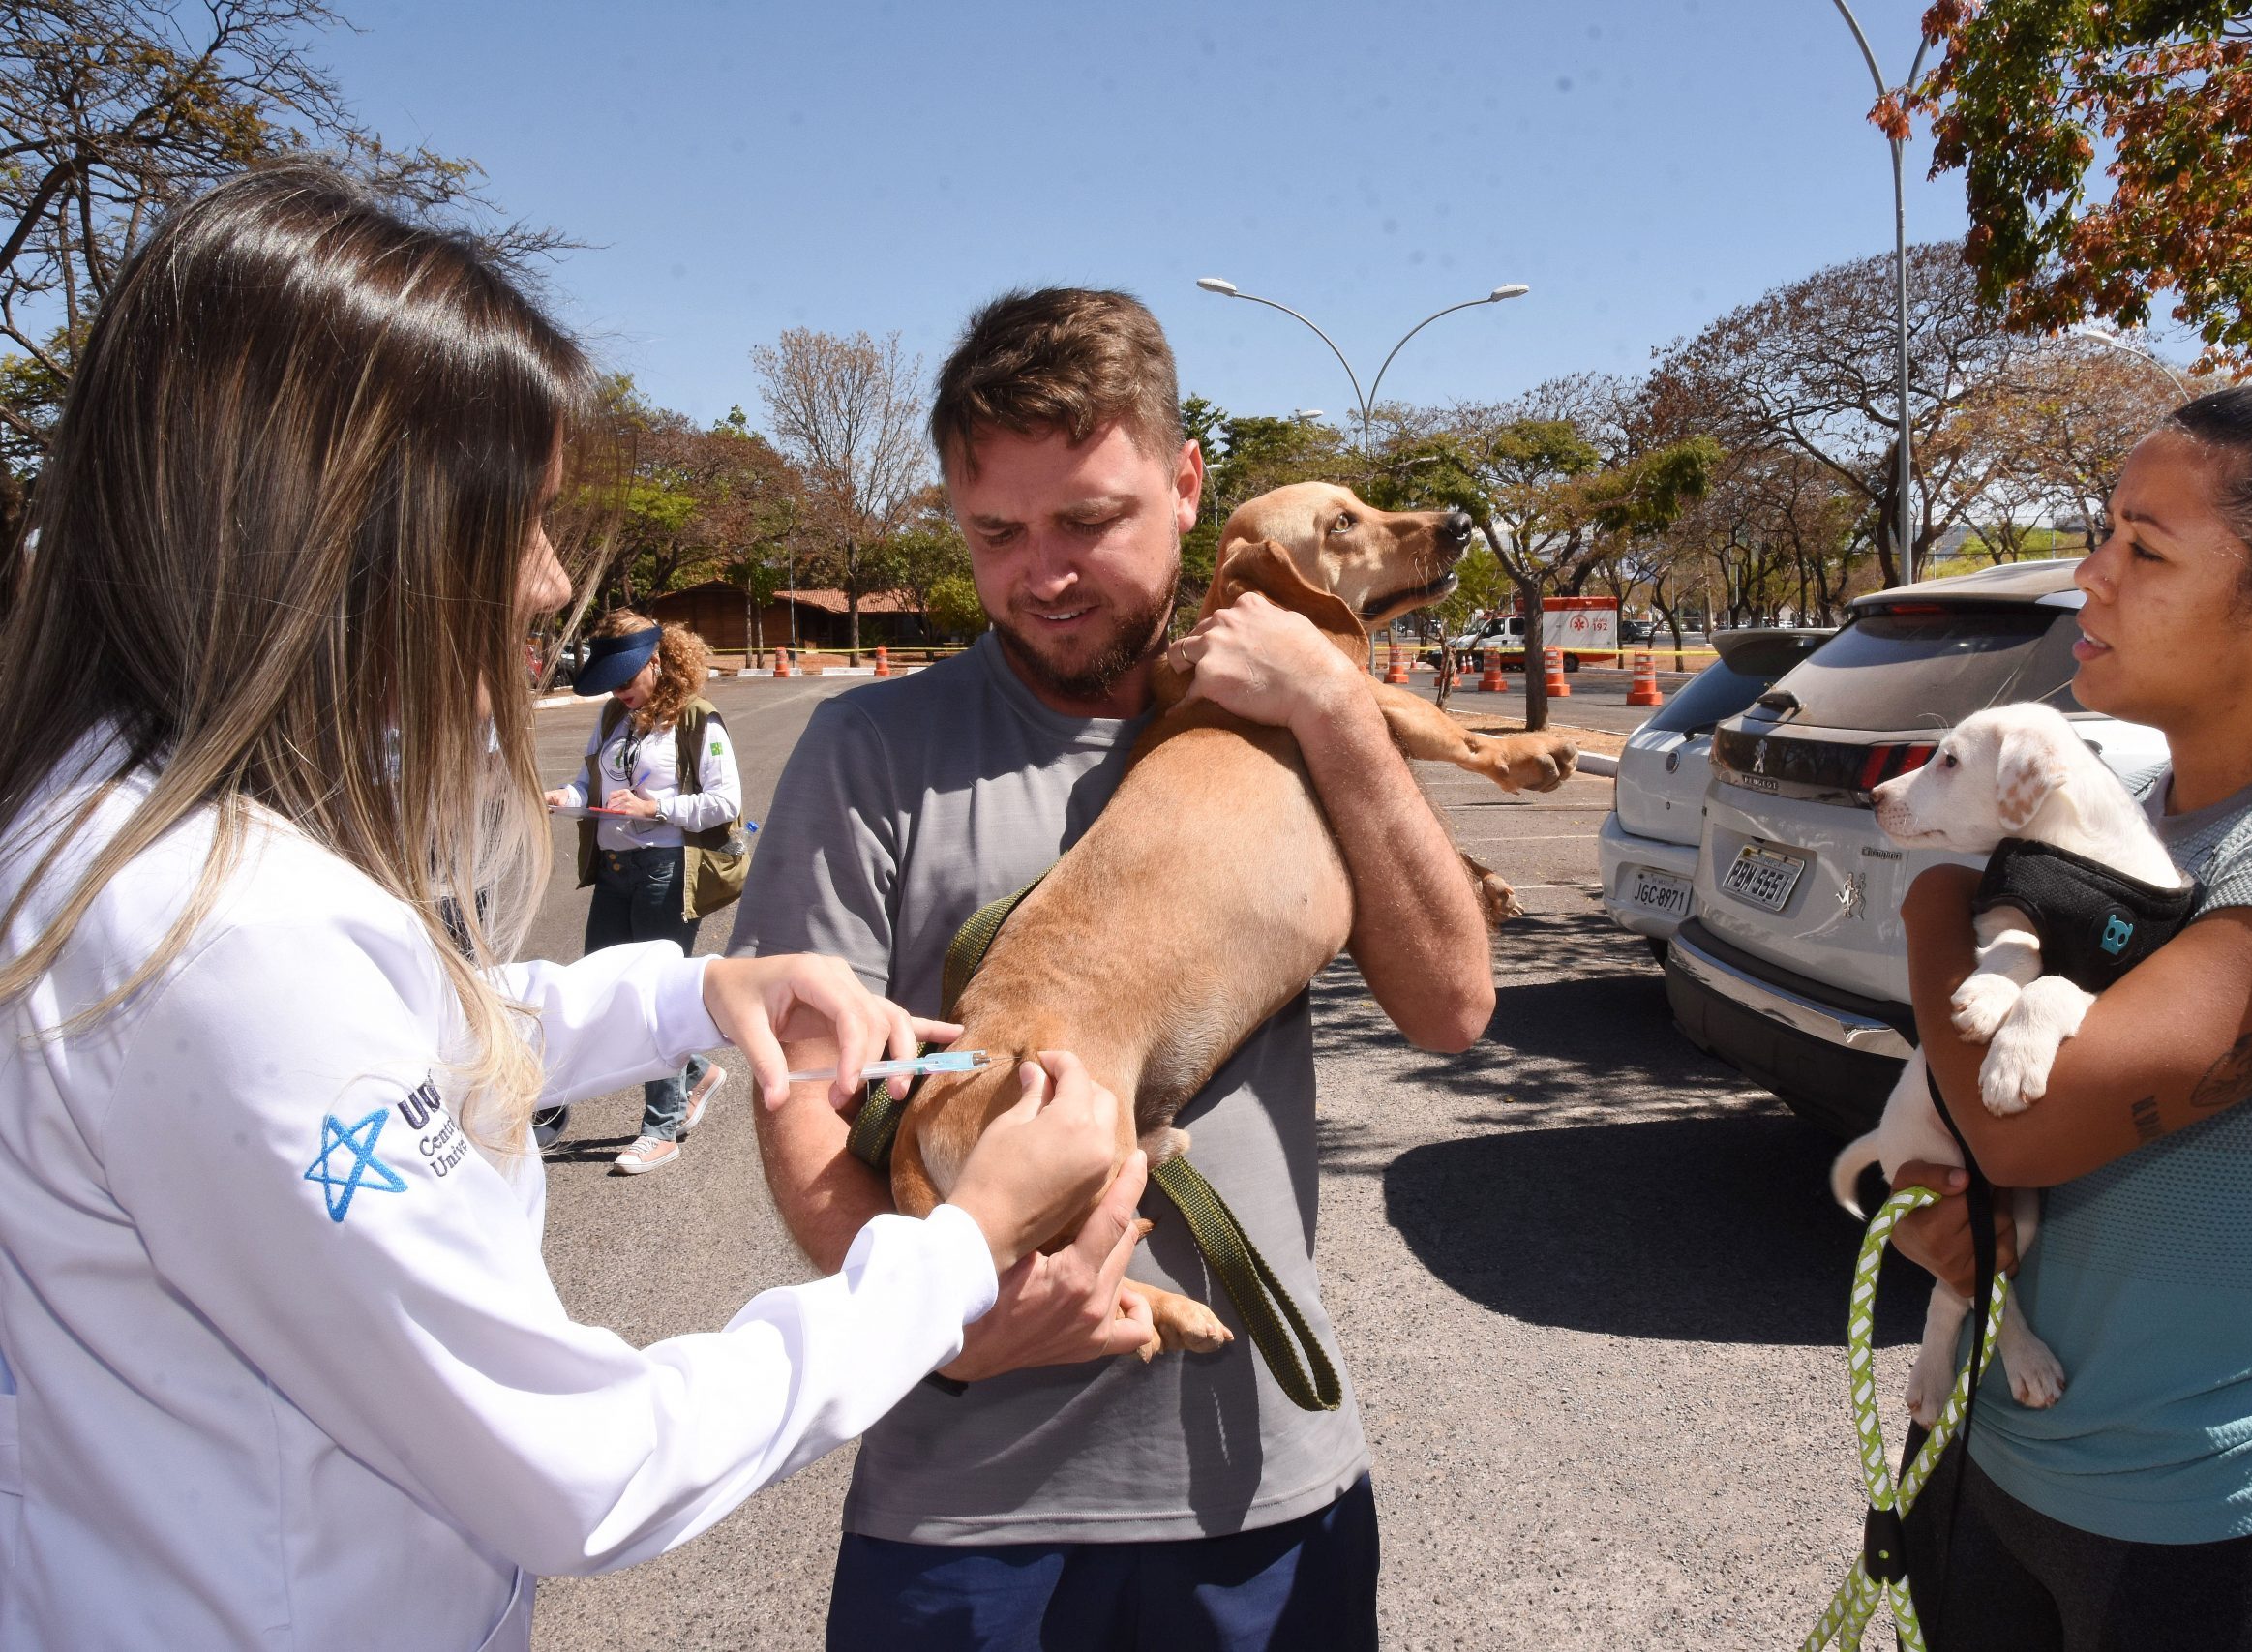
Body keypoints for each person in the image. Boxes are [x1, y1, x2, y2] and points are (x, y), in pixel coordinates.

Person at [0, 167, 1140, 1652]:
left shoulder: (150, 837)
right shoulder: (216, 940)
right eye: (517, 522)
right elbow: (580, 1463)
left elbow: (398, 1042)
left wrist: (690, 995)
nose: (547, 583)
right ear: (331, 530)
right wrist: (958, 1246)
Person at [730, 287, 1496, 1650]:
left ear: (1191, 485)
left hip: (1257, 1484)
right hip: (958, 1513)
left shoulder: (1302, 732)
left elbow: (1450, 1004)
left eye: (1090, 519)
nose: (1046, 571)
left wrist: (1333, 705)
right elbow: (802, 1090)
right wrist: (935, 1324)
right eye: (997, 532)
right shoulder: (870, 751)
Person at [1887, 381, 2252, 1651]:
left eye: (2143, 548)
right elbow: (1977, 1113)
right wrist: (1955, 1215)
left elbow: (2028, 1122)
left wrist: (1937, 897)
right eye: (2104, 529)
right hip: (1989, 1469)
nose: (2089, 575)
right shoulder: (2136, 802)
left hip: (2208, 1542)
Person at [543, 609, 742, 1172]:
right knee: (603, 985)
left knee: (652, 998)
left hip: (667, 870)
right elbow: (593, 783)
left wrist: (658, 807)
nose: (620, 690)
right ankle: (698, 1072)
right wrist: (569, 795)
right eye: (612, 681)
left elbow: (725, 802)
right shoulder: (612, 717)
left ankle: (661, 1127)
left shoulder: (699, 719)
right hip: (614, 867)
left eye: (627, 678)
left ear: (657, 660)